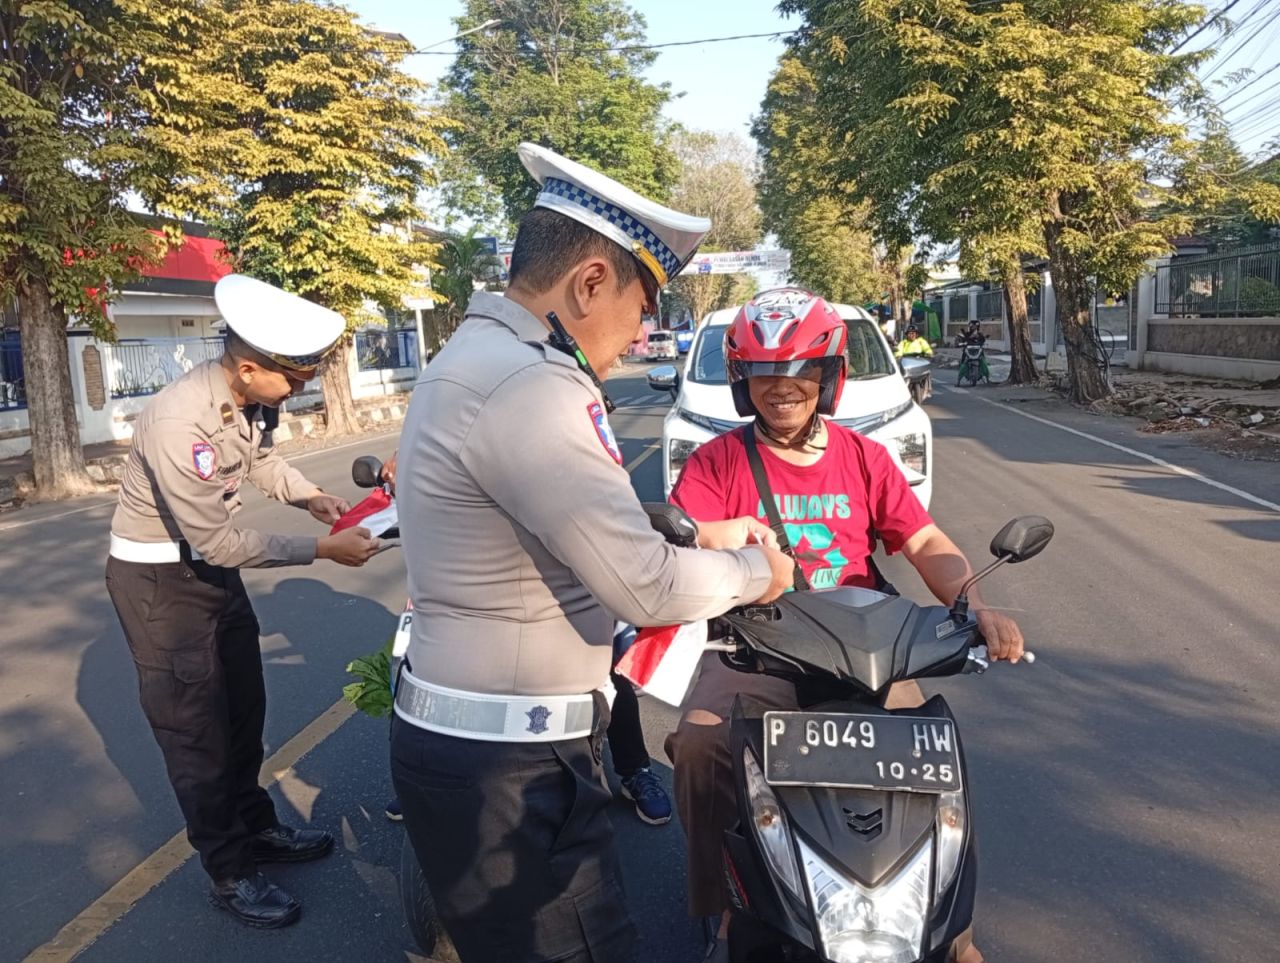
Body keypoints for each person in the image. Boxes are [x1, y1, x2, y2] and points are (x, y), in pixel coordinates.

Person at [390, 142, 795, 963]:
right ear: (590, 283)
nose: (644, 330)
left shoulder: (478, 358)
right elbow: (644, 587)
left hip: (487, 751)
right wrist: (756, 571)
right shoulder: (529, 385)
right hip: (510, 773)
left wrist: (689, 527)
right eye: (643, 305)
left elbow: (539, 510)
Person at [663, 289, 1025, 963]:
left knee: (934, 754)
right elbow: (686, 546)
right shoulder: (717, 462)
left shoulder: (864, 457)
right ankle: (723, 904)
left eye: (799, 370)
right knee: (700, 747)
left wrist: (974, 605)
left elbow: (924, 542)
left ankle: (951, 933)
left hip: (867, 653)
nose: (782, 387)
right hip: (755, 647)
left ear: (830, 376)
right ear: (744, 380)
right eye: (764, 371)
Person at [104, 274, 383, 929]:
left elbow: (260, 462)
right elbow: (217, 538)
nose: (302, 387)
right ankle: (229, 870)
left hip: (209, 573)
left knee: (242, 710)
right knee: (195, 732)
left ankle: (255, 828)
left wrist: (308, 495)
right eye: (294, 378)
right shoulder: (180, 419)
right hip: (159, 583)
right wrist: (321, 552)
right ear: (250, 367)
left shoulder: (250, 399)